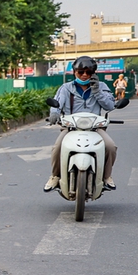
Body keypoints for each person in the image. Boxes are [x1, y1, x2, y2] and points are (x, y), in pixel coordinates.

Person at [45, 56, 118, 192]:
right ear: (74, 72)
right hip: (70, 128)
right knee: (57, 148)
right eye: (81, 72)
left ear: (93, 73)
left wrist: (97, 92)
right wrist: (54, 113)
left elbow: (109, 105)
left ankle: (107, 177)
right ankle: (55, 176)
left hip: (95, 129)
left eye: (88, 72)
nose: (84, 75)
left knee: (110, 147)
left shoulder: (102, 87)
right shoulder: (66, 88)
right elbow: (57, 103)